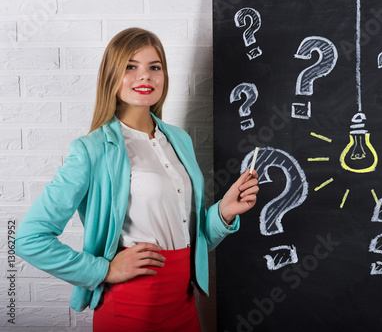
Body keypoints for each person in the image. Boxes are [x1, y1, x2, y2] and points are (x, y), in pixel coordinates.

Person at [15, 27, 259, 331]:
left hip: (184, 300)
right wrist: (103, 270)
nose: (145, 76)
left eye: (154, 67)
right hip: (134, 304)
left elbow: (192, 239)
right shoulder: (91, 150)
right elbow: (28, 239)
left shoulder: (179, 139)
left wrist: (224, 211)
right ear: (111, 76)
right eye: (131, 67)